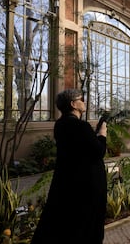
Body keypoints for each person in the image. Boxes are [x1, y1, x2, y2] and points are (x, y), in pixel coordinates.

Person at [30, 88, 108, 244]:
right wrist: (102, 135)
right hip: (87, 186)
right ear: (73, 104)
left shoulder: (60, 125)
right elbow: (98, 151)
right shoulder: (81, 126)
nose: (84, 102)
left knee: (69, 226)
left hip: (68, 183)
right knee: (88, 225)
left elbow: (79, 150)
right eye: (82, 99)